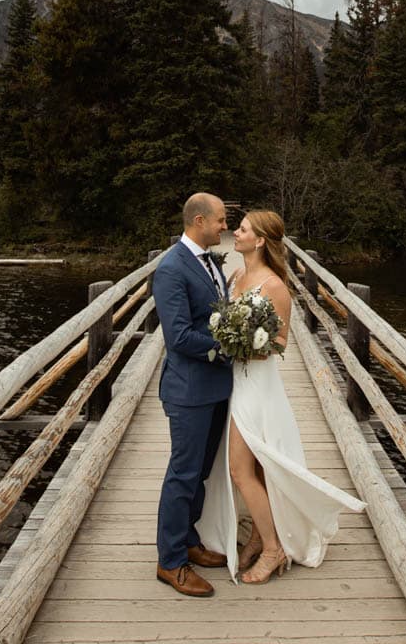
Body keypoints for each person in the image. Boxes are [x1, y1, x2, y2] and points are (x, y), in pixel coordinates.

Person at [196, 210, 366, 584]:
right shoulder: (238, 275)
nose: (234, 233)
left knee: (240, 470)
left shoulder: (274, 286)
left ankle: (273, 549)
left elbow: (280, 342)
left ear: (259, 241)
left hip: (259, 385)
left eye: (241, 230)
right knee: (254, 467)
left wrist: (242, 344)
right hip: (236, 381)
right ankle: (258, 536)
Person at [153, 192, 234, 598]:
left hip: (216, 386)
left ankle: (188, 540)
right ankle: (170, 562)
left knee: (200, 472)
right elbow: (179, 336)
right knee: (183, 474)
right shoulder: (171, 269)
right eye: (220, 220)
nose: (226, 227)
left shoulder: (208, 261)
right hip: (189, 390)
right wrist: (229, 348)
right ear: (199, 220)